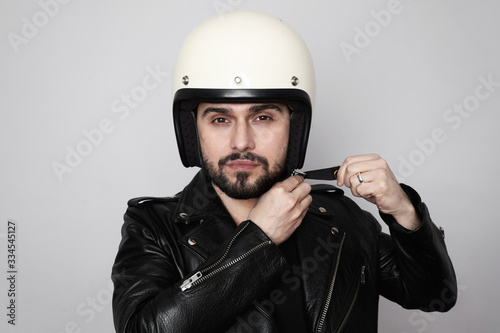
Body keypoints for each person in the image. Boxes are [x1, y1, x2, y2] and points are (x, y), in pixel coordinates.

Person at [111, 10, 457, 332]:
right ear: (193, 132)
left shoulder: (339, 218)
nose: (241, 142)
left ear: (294, 129)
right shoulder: (154, 227)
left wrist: (403, 211)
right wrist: (257, 239)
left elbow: (432, 294)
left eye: (262, 117)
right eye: (220, 119)